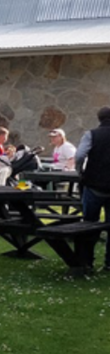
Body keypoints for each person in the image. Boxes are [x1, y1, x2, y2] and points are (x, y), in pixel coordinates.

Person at [75, 106, 110, 270]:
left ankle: (86, 260)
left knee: (88, 224)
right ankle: (109, 263)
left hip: (94, 184)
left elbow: (80, 155)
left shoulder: (91, 134)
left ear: (99, 119)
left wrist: (79, 171)